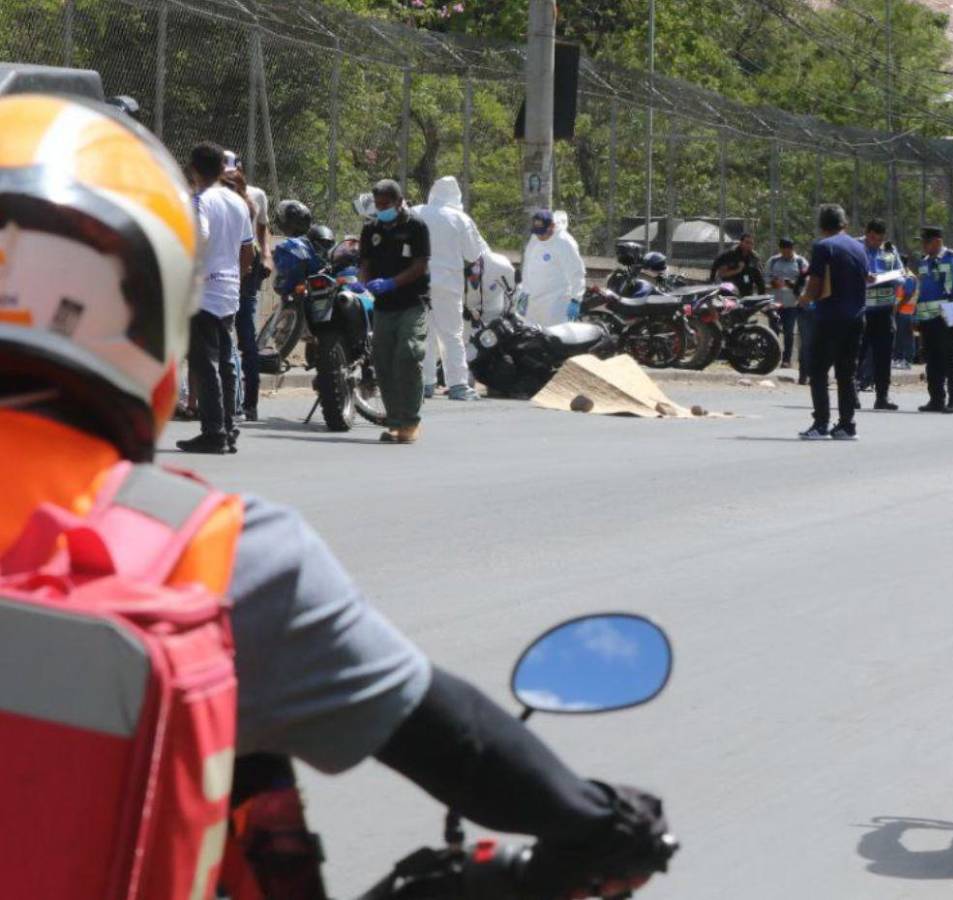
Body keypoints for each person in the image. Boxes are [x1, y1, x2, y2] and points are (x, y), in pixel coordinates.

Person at [0, 92, 670, 900]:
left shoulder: (413, 229)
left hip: (398, 305)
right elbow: (443, 733)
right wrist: (599, 825)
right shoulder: (221, 556)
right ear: (158, 352)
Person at [177, 141, 254, 454]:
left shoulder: (199, 200)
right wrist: (235, 276)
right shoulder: (238, 202)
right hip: (230, 289)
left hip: (203, 290)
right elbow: (248, 252)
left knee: (205, 363)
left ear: (193, 170)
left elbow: (200, 236)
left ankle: (214, 432)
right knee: (224, 361)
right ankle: (228, 427)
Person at [360, 179, 431, 444]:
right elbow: (365, 263)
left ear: (399, 202)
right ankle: (395, 422)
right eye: (377, 205)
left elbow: (420, 265)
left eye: (385, 205)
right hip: (384, 307)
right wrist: (364, 282)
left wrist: (392, 282)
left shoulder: (416, 227)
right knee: (384, 361)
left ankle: (410, 421)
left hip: (411, 302)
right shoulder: (371, 229)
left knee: (409, 354)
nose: (381, 209)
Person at [411, 176, 486, 401]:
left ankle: (424, 383)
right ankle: (458, 385)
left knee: (424, 334)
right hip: (447, 285)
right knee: (451, 335)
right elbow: (473, 254)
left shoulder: (415, 212)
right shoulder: (460, 219)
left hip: (416, 281)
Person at [798, 204, 869, 441]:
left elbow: (816, 283)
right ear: (844, 224)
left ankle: (821, 424)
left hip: (830, 319)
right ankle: (847, 426)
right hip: (857, 318)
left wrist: (805, 299)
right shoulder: (859, 248)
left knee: (818, 371)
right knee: (846, 374)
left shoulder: (823, 246)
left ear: (822, 225)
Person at [221, 164, 270, 422]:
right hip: (235, 274)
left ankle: (244, 403)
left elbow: (251, 245)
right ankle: (239, 403)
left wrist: (238, 278)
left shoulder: (244, 204)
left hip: (239, 274)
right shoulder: (235, 204)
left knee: (240, 338)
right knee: (238, 337)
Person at [914, 225, 953, 414]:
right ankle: (936, 399)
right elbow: (922, 292)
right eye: (922, 242)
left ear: (938, 242)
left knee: (951, 358)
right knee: (932, 359)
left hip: (949, 313)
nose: (923, 245)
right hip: (928, 317)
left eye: (926, 242)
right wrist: (916, 316)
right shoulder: (924, 263)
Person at [858, 220, 903, 411]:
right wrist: (863, 276)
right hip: (861, 309)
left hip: (884, 311)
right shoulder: (855, 248)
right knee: (857, 354)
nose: (876, 243)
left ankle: (882, 396)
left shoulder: (890, 251)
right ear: (866, 233)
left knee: (883, 356)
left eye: (880, 239)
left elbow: (902, 274)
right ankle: (852, 394)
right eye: (873, 238)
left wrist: (891, 278)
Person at [520, 208, 586, 327]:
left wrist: (576, 299)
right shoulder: (535, 238)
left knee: (552, 339)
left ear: (552, 226)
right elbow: (528, 266)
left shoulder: (565, 243)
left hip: (556, 302)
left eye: (542, 232)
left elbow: (577, 273)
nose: (539, 236)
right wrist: (524, 291)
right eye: (537, 232)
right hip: (533, 301)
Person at [765, 237, 808, 371]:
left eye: (788, 250)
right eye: (783, 250)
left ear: (792, 249)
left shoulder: (801, 261)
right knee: (773, 331)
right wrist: (773, 283)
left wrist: (791, 284)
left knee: (789, 332)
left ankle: (787, 360)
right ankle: (772, 358)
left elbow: (807, 281)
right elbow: (765, 277)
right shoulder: (773, 261)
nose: (785, 253)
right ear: (780, 249)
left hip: (791, 303)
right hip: (775, 302)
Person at [468, 242, 517, 324]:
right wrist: (470, 310)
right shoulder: (449, 271)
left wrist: (511, 313)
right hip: (468, 317)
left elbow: (515, 290)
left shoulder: (500, 266)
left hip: (494, 312)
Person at [893, 259, 919, 369]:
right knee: (900, 336)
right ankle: (899, 359)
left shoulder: (909, 277)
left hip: (906, 311)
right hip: (902, 310)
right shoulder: (902, 276)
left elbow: (908, 295)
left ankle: (907, 360)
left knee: (906, 336)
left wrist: (897, 307)